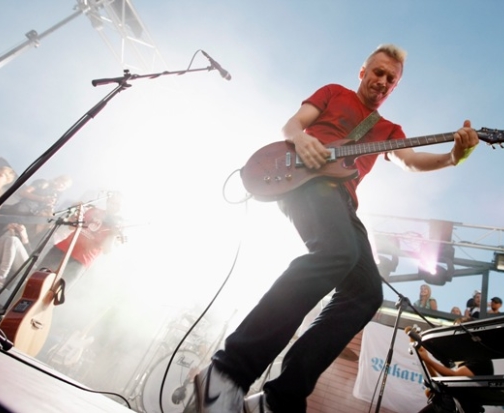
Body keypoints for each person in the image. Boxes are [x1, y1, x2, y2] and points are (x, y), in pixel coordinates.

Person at [191, 43, 479, 413]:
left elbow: (409, 160)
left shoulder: (389, 129)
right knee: (336, 253)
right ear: (363, 72)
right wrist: (301, 138)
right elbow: (293, 123)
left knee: (366, 294)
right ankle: (226, 373)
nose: (383, 80)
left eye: (391, 78)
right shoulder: (334, 93)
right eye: (378, 72)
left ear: (395, 86)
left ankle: (279, 399)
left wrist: (453, 157)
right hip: (306, 181)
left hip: (344, 202)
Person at [34, 191, 124, 288]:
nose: (114, 206)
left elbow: (107, 250)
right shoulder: (94, 211)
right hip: (62, 248)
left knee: (57, 290)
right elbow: (72, 227)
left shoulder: (118, 225)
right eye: (112, 202)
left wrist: (113, 234)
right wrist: (74, 214)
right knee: (36, 279)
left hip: (81, 260)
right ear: (108, 201)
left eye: (117, 204)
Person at [416, 337, 493, 413]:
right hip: (446, 405)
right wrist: (426, 360)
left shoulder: (481, 359)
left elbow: (453, 376)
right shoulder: (466, 361)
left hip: (456, 407)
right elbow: (437, 380)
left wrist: (427, 359)